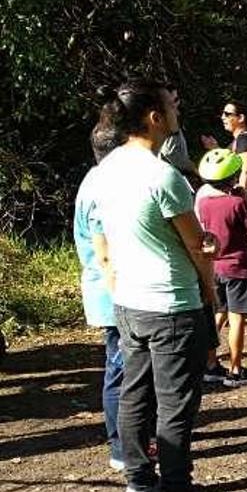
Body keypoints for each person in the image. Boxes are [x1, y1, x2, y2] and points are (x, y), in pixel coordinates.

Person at [94, 79, 216, 491]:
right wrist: (210, 293)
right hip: (173, 305)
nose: (176, 113)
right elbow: (198, 247)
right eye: (171, 106)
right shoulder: (164, 177)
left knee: (135, 395)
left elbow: (105, 240)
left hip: (129, 303)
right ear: (154, 117)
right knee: (175, 404)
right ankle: (177, 483)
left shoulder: (105, 170)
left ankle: (138, 480)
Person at [73, 121, 127, 470]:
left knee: (121, 368)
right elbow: (106, 250)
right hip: (114, 293)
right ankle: (122, 448)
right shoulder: (105, 186)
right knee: (121, 370)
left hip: (110, 291)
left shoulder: (94, 180)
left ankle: (130, 441)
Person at [195, 149, 247, 387]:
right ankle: (236, 370)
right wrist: (244, 200)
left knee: (218, 314)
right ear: (232, 178)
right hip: (237, 267)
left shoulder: (203, 203)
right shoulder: (235, 203)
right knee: (237, 319)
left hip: (213, 267)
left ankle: (209, 363)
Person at [203, 102, 247, 310]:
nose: (223, 117)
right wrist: (215, 149)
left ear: (241, 117)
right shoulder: (238, 141)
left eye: (228, 113)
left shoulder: (244, 139)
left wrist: (239, 194)